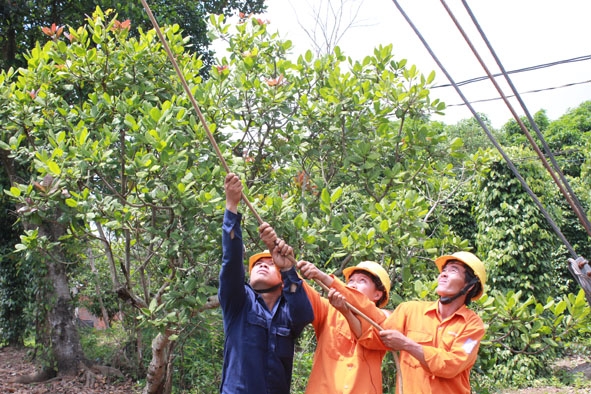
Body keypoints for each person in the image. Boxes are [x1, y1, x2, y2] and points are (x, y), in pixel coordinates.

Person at [218, 173, 314, 394]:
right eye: (257, 264)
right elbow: (230, 261)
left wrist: (288, 268)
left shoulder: (288, 313)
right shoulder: (238, 302)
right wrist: (231, 205)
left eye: (269, 264)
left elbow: (304, 314)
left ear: (281, 279)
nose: (261, 265)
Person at [357, 251, 487, 394]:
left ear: (469, 286)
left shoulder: (473, 326)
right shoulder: (410, 310)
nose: (443, 274)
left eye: (453, 270)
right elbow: (373, 339)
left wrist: (407, 345)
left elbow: (452, 364)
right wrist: (345, 309)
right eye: (444, 270)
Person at [297, 259, 392, 393]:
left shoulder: (383, 321)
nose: (353, 285)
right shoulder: (327, 310)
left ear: (378, 294)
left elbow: (363, 305)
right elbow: (301, 290)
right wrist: (286, 268)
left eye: (362, 281)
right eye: (351, 281)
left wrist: (323, 276)